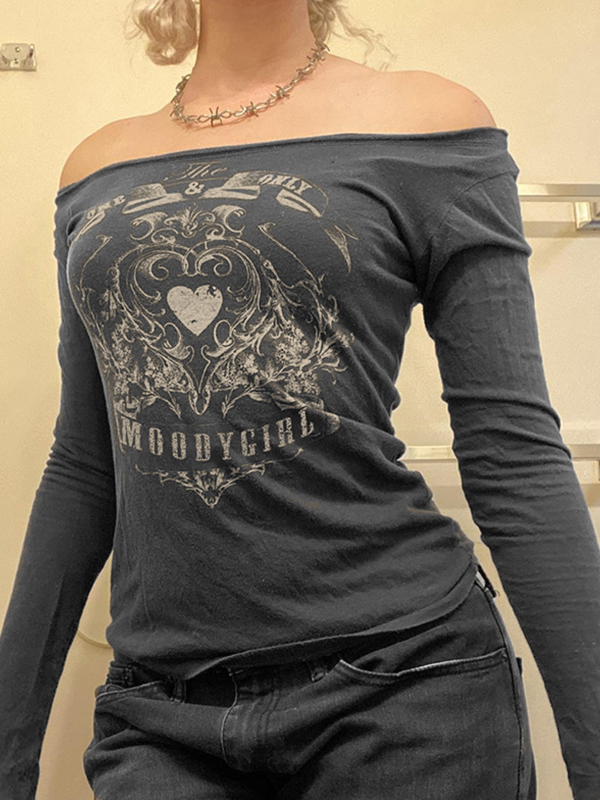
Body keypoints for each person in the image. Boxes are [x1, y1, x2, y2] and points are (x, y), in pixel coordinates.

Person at [1, 0, 599, 798]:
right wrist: (9, 749)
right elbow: (83, 467)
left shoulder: (430, 126)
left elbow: (514, 454)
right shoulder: (97, 167)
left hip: (405, 691)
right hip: (162, 711)